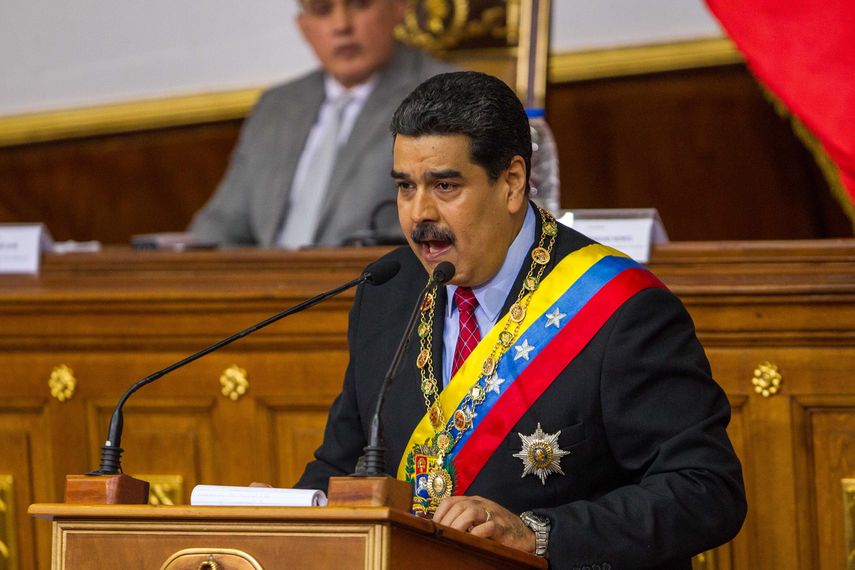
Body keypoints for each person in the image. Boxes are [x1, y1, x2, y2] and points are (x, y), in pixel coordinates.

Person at [296, 71, 747, 569]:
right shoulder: (388, 290)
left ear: (512, 183)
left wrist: (539, 534)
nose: (419, 214)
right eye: (406, 187)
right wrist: (276, 515)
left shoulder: (621, 308)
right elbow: (340, 465)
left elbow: (706, 491)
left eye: (445, 185)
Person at [188, 0, 454, 247]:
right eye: (322, 9)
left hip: (367, 288)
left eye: (359, 4)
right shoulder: (276, 106)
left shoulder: (442, 93)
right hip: (265, 290)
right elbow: (218, 225)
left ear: (399, 6)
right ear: (303, 27)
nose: (342, 26)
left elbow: (447, 225)